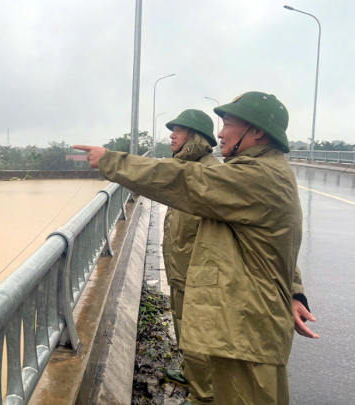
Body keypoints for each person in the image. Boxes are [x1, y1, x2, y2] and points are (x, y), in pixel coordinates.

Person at [73, 91, 318, 405]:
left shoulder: (256, 176)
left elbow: (184, 181)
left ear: (256, 131)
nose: (220, 132)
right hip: (240, 324)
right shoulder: (253, 173)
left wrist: (111, 161)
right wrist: (294, 291)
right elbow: (270, 243)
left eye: (228, 124)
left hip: (247, 329)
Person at [160, 110, 218, 405]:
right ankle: (192, 376)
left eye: (179, 131)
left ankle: (203, 396)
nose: (172, 135)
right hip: (180, 270)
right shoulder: (186, 169)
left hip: (198, 277)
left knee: (199, 340)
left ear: (195, 138)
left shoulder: (208, 173)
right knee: (183, 329)